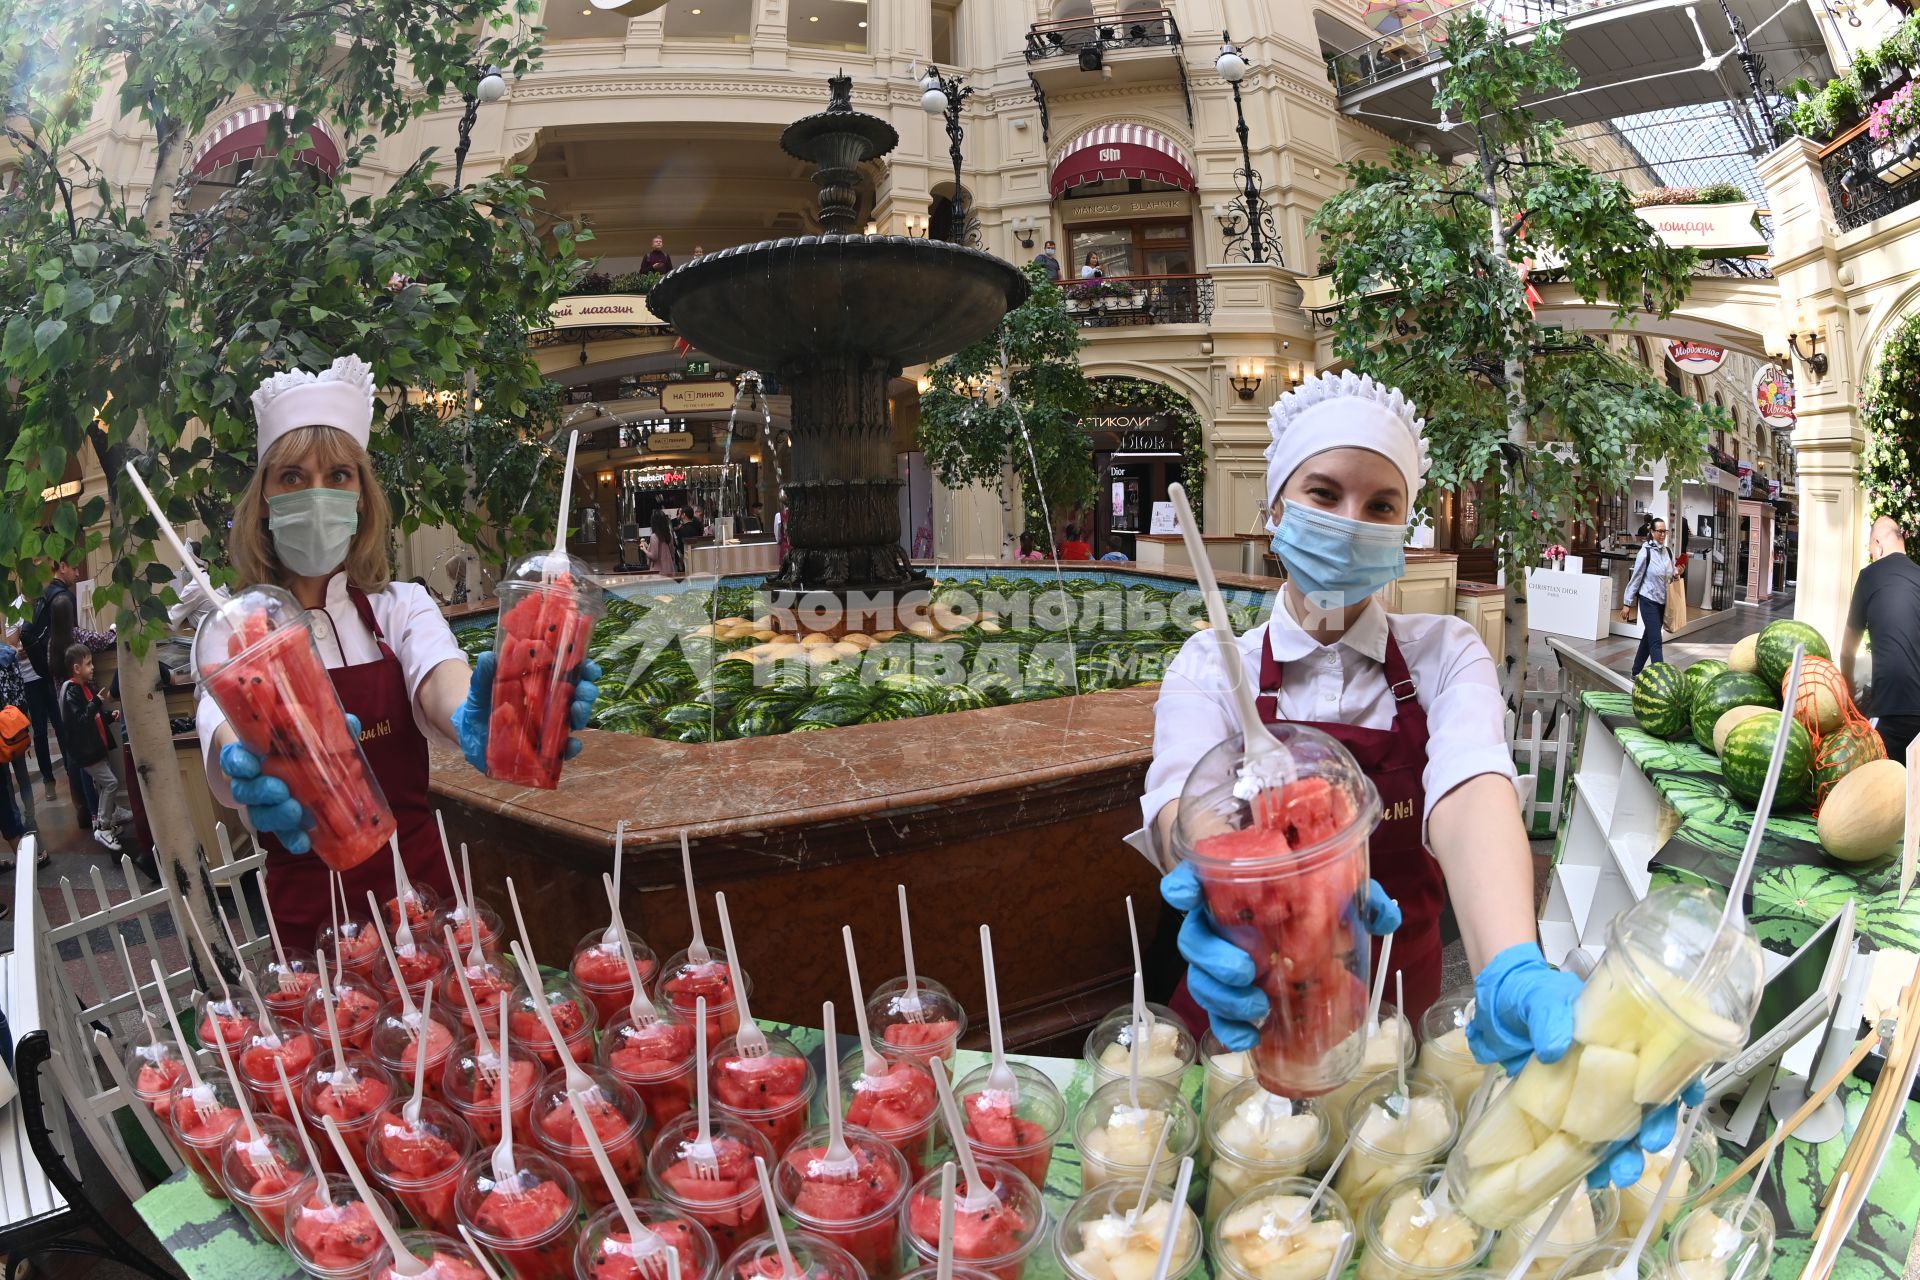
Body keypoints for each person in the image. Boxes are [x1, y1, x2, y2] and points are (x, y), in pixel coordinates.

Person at [1141, 370, 1679, 1188]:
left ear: (1404, 526)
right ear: (1274, 511)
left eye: (1381, 506)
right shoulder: (1210, 666)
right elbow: (1183, 800)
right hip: (1242, 1010)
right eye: (1323, 493)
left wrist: (1510, 966)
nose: (1350, 524)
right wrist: (1221, 875)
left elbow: (1470, 791)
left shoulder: (1443, 652)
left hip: (1392, 1024)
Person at [196, 355, 601, 940]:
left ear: (361, 494)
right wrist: (252, 763)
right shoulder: (230, 636)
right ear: (263, 499)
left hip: (425, 896)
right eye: (292, 477)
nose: (318, 493)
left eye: (338, 475)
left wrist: (476, 718)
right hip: (315, 919)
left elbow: (442, 681)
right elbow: (224, 734)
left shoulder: (400, 606)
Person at [1842, 516, 1920, 761]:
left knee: (1875, 783)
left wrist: (1848, 689)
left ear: (1878, 544)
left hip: (1891, 709)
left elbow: (1847, 650)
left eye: (1871, 551)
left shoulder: (1869, 576)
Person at [22, 559, 92, 821]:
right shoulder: (56, 599)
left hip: (51, 676)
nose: (76, 572)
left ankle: (78, 802)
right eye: (73, 567)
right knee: (54, 734)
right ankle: (76, 799)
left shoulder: (45, 598)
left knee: (64, 734)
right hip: (52, 678)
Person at [59, 643, 126, 851]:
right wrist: (96, 704)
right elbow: (79, 720)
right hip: (86, 753)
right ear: (77, 668)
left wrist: (108, 717)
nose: (93, 668)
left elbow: (92, 717)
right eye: (88, 664)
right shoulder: (72, 691)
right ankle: (104, 827)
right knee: (111, 783)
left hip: (93, 749)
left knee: (104, 784)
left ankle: (110, 818)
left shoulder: (82, 689)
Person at [1620, 517, 1677, 675]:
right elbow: (1636, 578)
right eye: (1659, 531)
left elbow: (1672, 573)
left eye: (1664, 531)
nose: (1662, 534)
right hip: (1648, 600)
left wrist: (1677, 572)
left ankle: (1635, 671)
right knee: (1656, 640)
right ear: (1652, 532)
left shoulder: (1668, 552)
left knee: (1648, 637)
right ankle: (1661, 678)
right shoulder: (1645, 552)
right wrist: (1627, 603)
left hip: (1662, 602)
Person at [0, 633, 34, 839]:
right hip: (14, 723)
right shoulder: (10, 655)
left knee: (5, 782)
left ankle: (16, 821)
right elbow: (20, 689)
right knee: (22, 774)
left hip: (0, 731)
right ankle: (31, 817)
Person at [648, 509, 680, 578]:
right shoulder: (668, 535)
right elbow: (672, 552)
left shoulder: (654, 536)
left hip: (657, 572)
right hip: (669, 569)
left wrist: (644, 549)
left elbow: (654, 556)